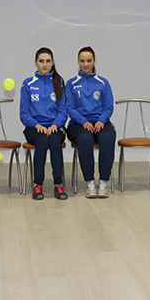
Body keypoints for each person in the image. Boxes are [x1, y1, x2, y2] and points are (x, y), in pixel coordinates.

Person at [66, 46, 116, 199]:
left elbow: (108, 106)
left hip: (101, 123)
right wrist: (84, 121)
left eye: (89, 60)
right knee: (85, 139)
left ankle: (103, 183)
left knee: (107, 138)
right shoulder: (71, 83)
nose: (85, 64)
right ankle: (90, 183)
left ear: (94, 61)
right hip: (78, 124)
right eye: (82, 61)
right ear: (78, 62)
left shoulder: (103, 82)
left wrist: (101, 121)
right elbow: (70, 107)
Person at [20, 47, 68, 200]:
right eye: (41, 61)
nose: (45, 64)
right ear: (35, 62)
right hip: (34, 127)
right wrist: (36, 125)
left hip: (55, 126)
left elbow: (63, 111)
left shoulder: (59, 82)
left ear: (53, 62)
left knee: (54, 141)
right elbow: (24, 113)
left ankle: (58, 185)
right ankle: (38, 184)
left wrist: (55, 125)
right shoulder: (28, 83)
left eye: (48, 61)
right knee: (41, 141)